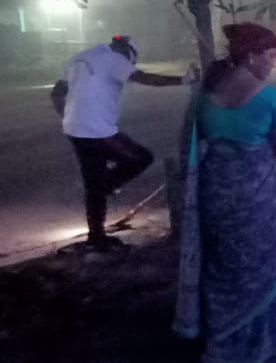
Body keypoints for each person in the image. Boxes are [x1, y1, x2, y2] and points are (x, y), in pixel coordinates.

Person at [173, 23, 276, 362]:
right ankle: (265, 342)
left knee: (224, 265)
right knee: (266, 263)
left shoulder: (203, 97)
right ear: (250, 57)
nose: (273, 63)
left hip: (216, 195)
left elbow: (194, 142)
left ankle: (224, 339)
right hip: (261, 199)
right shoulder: (270, 97)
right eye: (269, 56)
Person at [50, 35, 197, 249]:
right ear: (128, 53)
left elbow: (56, 93)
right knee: (141, 158)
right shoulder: (115, 59)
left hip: (74, 129)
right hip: (97, 131)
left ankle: (96, 235)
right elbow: (145, 78)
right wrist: (184, 79)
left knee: (93, 180)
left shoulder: (80, 57)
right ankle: (106, 187)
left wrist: (69, 116)